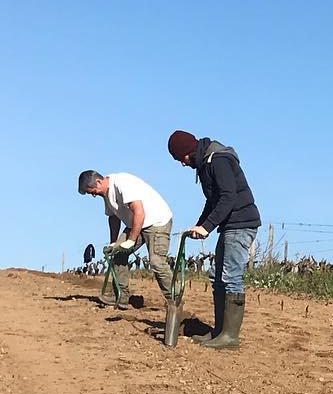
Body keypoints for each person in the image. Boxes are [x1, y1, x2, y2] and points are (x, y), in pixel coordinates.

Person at [166, 131, 261, 349]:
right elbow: (213, 201)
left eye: (181, 158)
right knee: (217, 277)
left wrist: (207, 227)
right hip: (229, 225)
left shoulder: (218, 160)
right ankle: (219, 331)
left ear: (188, 151)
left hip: (241, 223)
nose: (182, 164)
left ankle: (230, 337)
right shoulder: (206, 164)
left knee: (230, 277)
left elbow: (228, 197)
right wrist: (199, 224)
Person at [77, 170, 175, 312]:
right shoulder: (105, 194)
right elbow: (113, 217)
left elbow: (139, 213)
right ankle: (121, 297)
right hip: (135, 223)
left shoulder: (122, 184)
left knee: (157, 262)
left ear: (98, 181)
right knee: (117, 254)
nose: (93, 195)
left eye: (92, 190)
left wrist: (131, 240)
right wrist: (113, 242)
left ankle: (174, 300)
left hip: (156, 222)